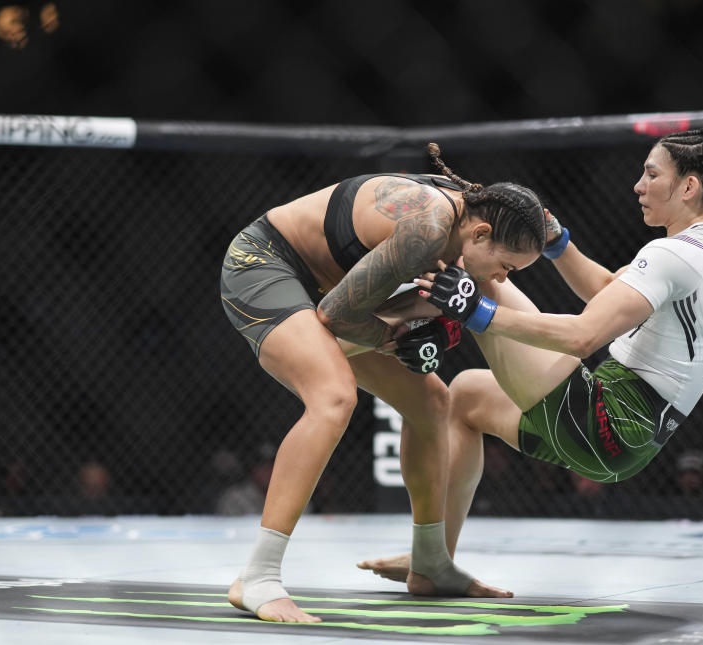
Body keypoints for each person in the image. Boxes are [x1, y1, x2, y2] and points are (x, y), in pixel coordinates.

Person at [360, 122, 703, 585]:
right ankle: (432, 561)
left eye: (651, 174)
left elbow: (584, 335)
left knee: (479, 272)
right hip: (623, 441)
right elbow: (607, 292)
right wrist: (559, 244)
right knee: (465, 397)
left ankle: (347, 328)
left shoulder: (674, 255)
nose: (638, 186)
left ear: (688, 186)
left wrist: (475, 312)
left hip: (605, 423)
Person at [219, 143, 547, 622]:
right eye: (507, 265)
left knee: (432, 400)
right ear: (480, 233)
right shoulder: (429, 227)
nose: (501, 277)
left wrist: (414, 325)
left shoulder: (468, 222)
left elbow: (371, 305)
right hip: (266, 265)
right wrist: (399, 336)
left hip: (329, 291)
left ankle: (431, 563)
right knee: (332, 396)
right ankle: (258, 576)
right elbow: (334, 317)